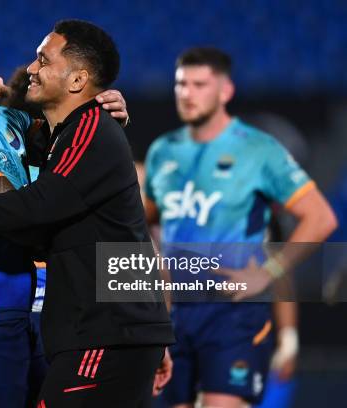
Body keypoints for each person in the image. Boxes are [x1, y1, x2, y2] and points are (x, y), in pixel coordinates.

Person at [0, 20, 175, 408]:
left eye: (41, 60)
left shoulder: (14, 123)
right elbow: (30, 223)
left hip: (83, 325)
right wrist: (97, 115)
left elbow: (35, 211)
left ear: (77, 79)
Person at [142, 47, 336, 407]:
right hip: (173, 316)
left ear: (225, 91)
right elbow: (144, 222)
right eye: (181, 84)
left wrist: (269, 272)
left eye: (200, 84)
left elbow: (321, 217)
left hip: (233, 312)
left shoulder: (260, 150)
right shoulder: (162, 152)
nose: (187, 93)